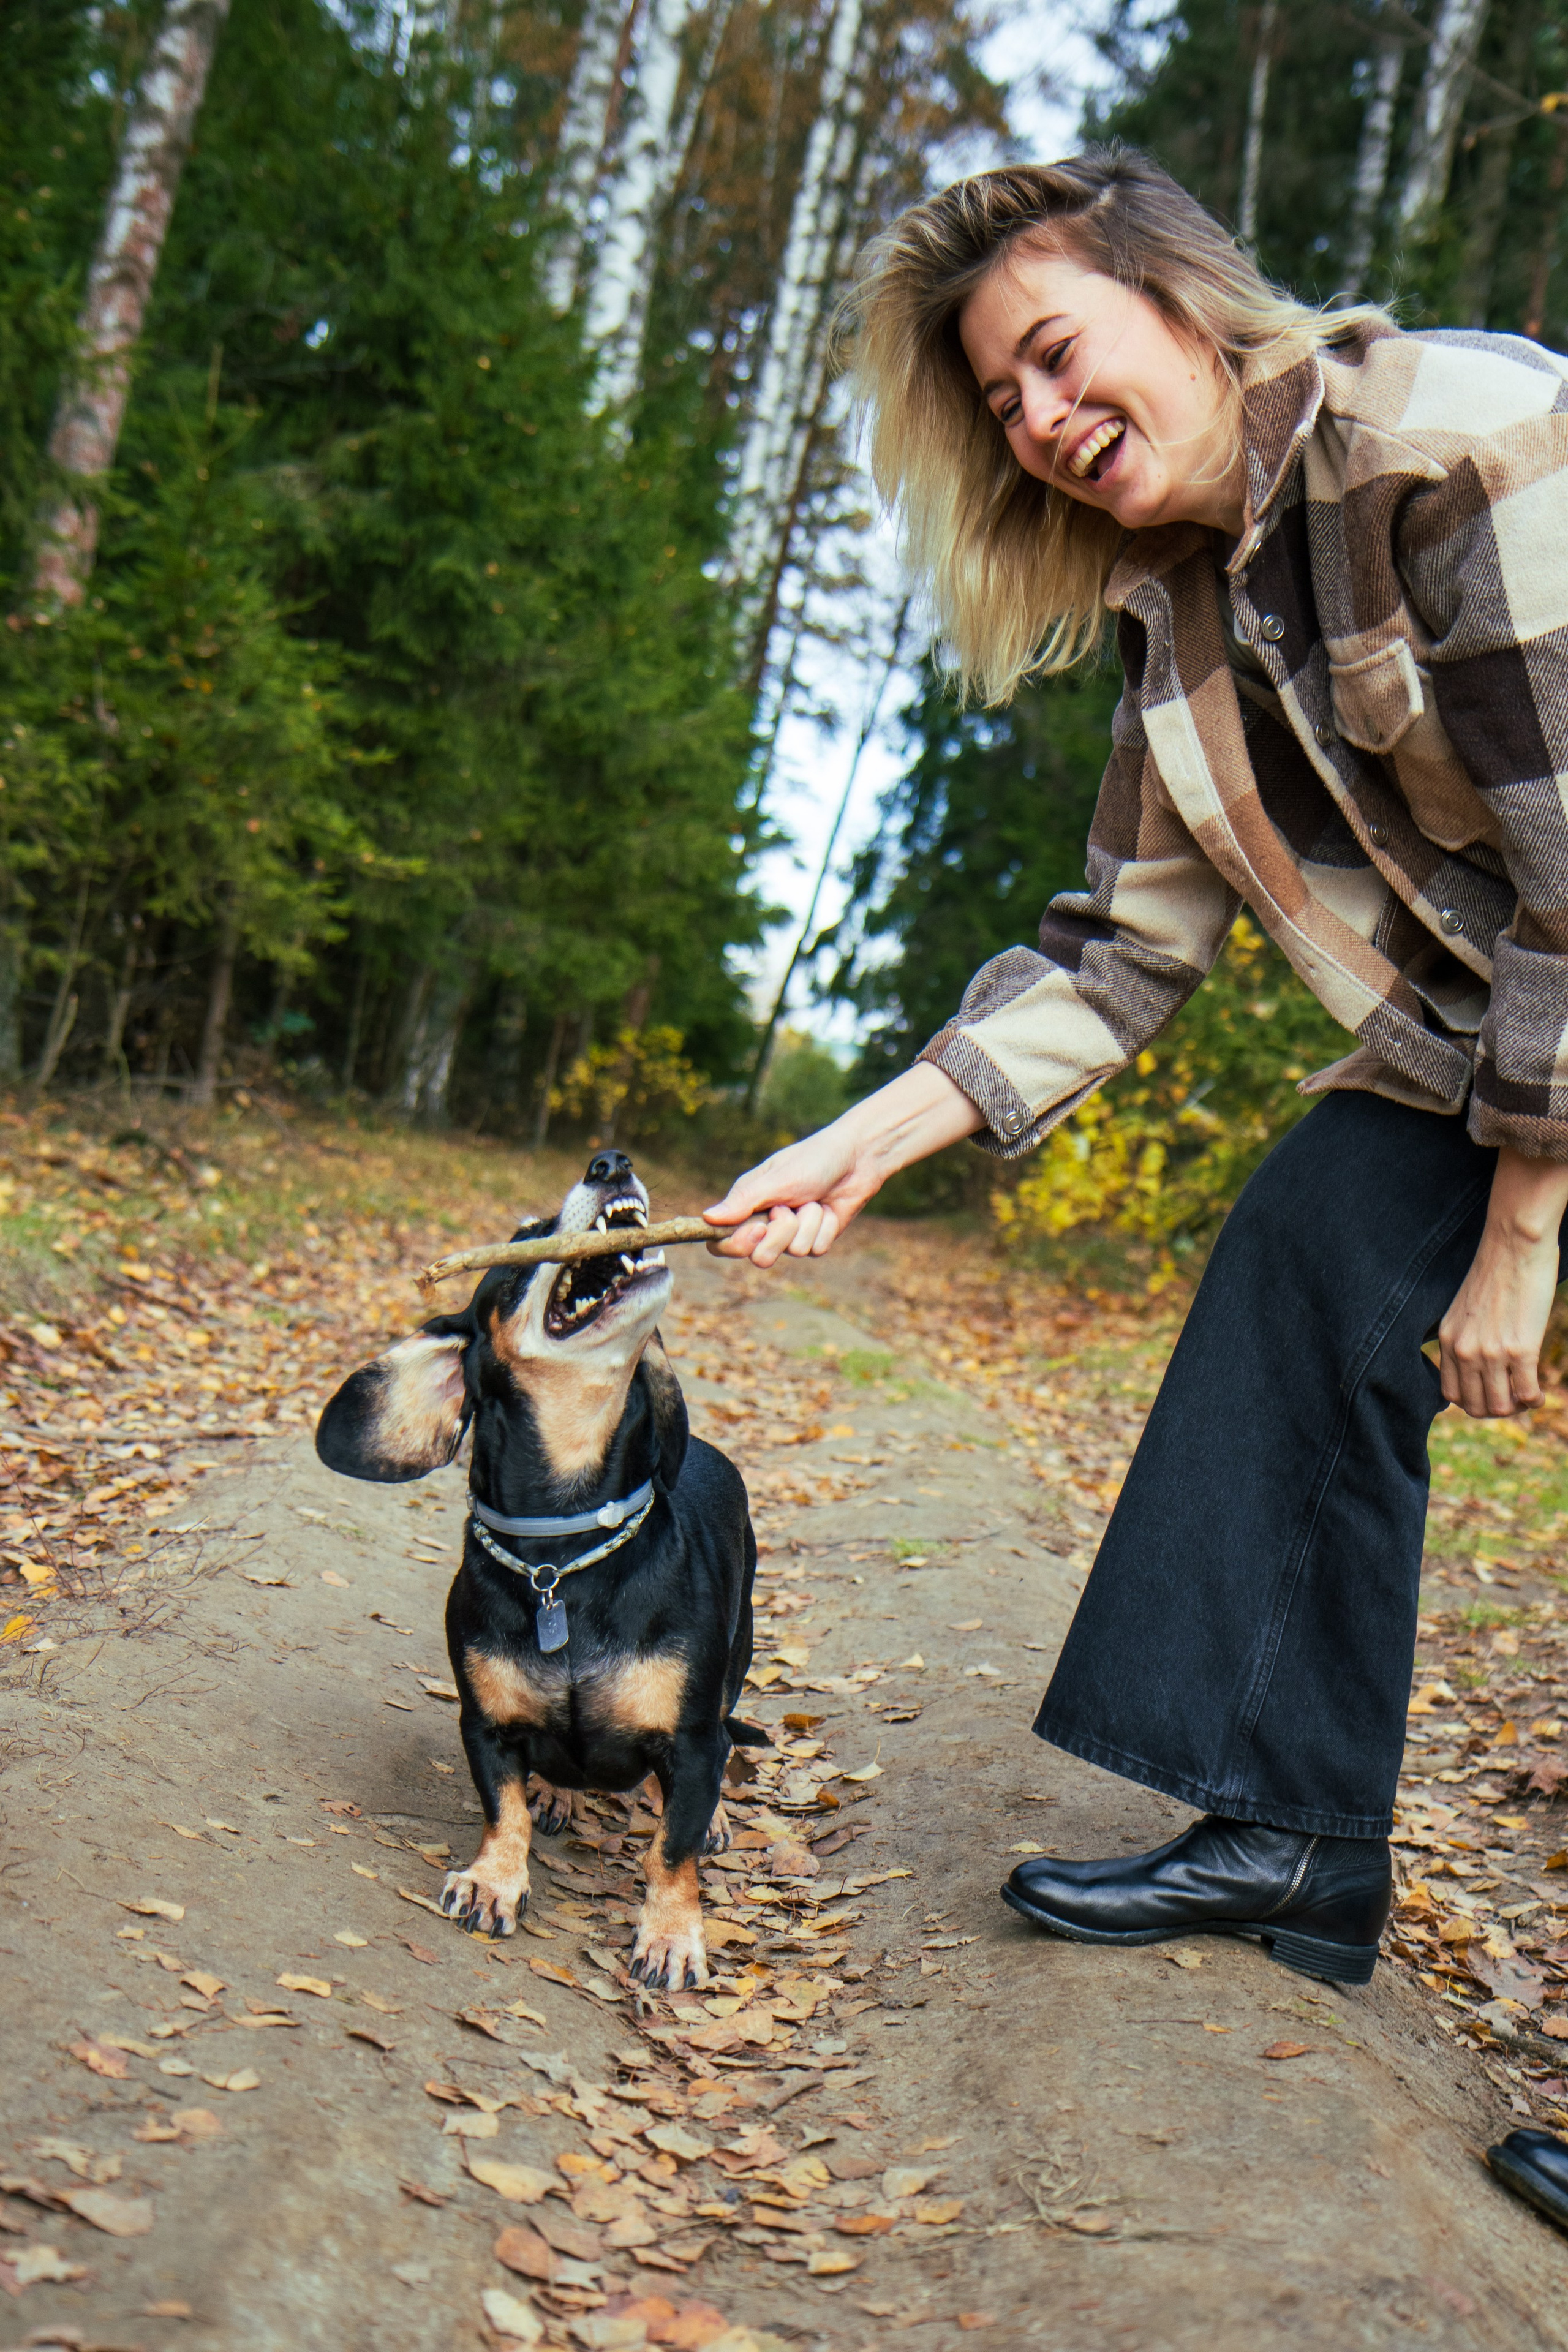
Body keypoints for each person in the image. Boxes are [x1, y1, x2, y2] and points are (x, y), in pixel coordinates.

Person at [704, 149, 1568, 2026]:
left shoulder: (1463, 440)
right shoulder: (1183, 611)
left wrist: (1523, 1227)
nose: (1037, 418)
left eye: (1055, 352)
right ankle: (1291, 1828)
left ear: (1184, 299)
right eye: (1003, 402)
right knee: (1312, 1247)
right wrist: (851, 1152)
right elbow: (1113, 956)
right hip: (1509, 1024)